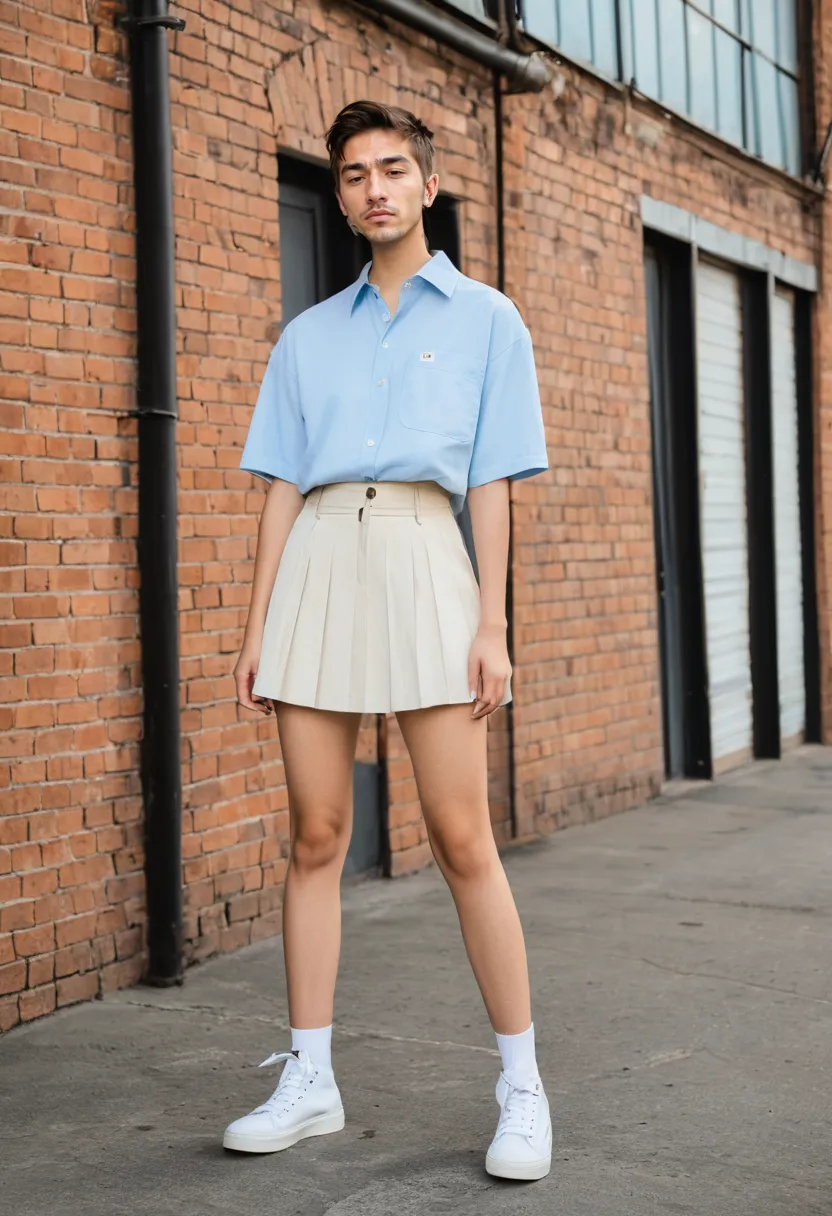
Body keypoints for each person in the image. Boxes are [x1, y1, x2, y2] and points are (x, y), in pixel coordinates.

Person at [225, 100, 551, 1182]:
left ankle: (521, 1086)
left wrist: (492, 624)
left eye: (393, 169)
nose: (374, 187)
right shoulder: (305, 336)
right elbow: (276, 489)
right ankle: (310, 1077)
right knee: (316, 834)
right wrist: (257, 625)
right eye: (355, 172)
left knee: (462, 837)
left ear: (427, 184)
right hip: (319, 558)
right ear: (341, 193)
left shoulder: (489, 319)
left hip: (425, 560)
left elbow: (493, 482)